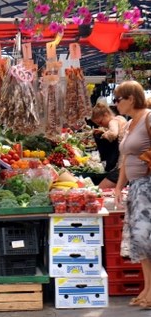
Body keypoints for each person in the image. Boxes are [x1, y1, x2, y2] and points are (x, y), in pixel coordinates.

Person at [113, 80, 151, 308]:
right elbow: (126, 159)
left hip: (149, 186)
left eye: (119, 99)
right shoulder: (128, 125)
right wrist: (119, 186)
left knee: (147, 239)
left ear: (132, 99)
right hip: (136, 187)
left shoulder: (148, 118)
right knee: (141, 241)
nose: (116, 103)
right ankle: (147, 289)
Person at [91, 101, 127, 189]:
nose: (100, 125)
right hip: (126, 162)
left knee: (100, 189)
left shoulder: (113, 122)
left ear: (106, 114)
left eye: (100, 122)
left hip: (122, 163)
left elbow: (113, 134)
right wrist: (104, 131)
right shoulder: (120, 118)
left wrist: (103, 135)